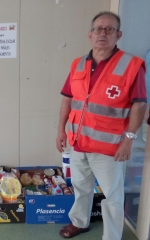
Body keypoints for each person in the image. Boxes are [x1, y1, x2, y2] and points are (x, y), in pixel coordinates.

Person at [56, 12, 146, 239]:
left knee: (113, 196)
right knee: (81, 188)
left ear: (118, 34)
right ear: (90, 34)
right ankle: (79, 222)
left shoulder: (132, 65)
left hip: (110, 148)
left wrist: (128, 140)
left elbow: (139, 105)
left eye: (109, 29)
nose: (103, 33)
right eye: (98, 29)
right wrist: (60, 130)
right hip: (78, 143)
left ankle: (112, 236)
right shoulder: (78, 64)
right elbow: (68, 99)